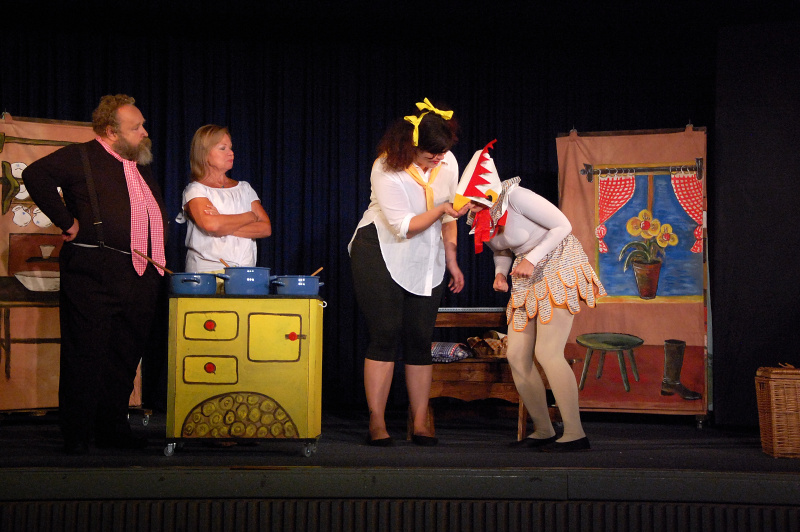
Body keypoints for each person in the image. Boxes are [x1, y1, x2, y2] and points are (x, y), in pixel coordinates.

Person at [23, 94, 168, 455]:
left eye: (143, 125)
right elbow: (35, 175)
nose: (144, 132)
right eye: (136, 127)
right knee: (86, 354)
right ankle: (78, 433)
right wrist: (67, 221)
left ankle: (112, 428)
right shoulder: (81, 156)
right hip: (95, 271)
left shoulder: (139, 163)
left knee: (124, 356)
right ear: (110, 131)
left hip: (141, 274)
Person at [453, 140, 606, 452]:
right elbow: (501, 250)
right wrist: (499, 273)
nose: (468, 207)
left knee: (548, 352)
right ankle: (543, 429)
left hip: (557, 261)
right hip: (526, 271)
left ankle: (575, 433)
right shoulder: (479, 216)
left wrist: (532, 259)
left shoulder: (517, 197)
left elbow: (563, 226)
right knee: (517, 355)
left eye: (472, 200)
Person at [349, 98, 469, 447]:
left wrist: (452, 260)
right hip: (380, 249)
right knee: (385, 333)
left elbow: (449, 216)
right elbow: (404, 227)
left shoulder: (446, 161)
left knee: (419, 337)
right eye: (431, 154)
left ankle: (420, 420)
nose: (438, 159)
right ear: (411, 145)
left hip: (426, 255)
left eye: (443, 152)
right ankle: (377, 420)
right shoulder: (386, 167)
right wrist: (444, 208)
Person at [179, 125, 271, 273]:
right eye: (223, 148)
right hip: (207, 273)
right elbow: (212, 225)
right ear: (204, 154)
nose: (231, 153)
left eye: (230, 148)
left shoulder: (244, 188)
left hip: (244, 272)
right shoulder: (196, 190)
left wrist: (223, 223)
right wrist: (250, 216)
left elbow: (265, 228)